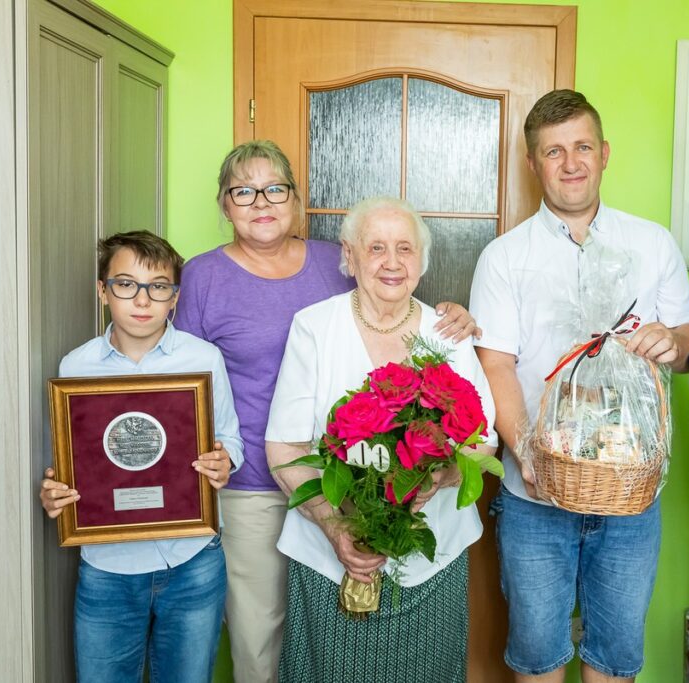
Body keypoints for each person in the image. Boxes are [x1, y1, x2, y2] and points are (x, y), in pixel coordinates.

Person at [173, 140, 477, 682]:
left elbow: (391, 294)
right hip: (251, 475)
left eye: (274, 189)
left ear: (294, 199)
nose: (261, 201)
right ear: (224, 204)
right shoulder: (204, 276)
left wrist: (454, 315)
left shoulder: (329, 263)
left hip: (342, 483)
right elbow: (180, 381)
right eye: (243, 191)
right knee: (262, 635)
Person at [469, 89, 689, 682]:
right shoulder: (504, 258)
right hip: (532, 499)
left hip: (630, 493)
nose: (570, 163)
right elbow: (495, 365)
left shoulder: (651, 245)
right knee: (537, 656)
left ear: (604, 153)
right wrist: (530, 454)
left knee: (615, 658)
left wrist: (672, 344)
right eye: (553, 152)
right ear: (532, 164)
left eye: (581, 147)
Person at [264, 196, 497, 683]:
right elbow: (284, 449)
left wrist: (435, 478)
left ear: (422, 261)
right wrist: (338, 529)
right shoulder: (314, 327)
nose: (392, 262)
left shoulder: (447, 334)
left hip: (432, 564)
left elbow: (483, 441)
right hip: (328, 562)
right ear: (349, 257)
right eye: (376, 248)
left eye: (405, 249)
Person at [38, 230, 244, 682]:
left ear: (174, 297)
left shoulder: (203, 359)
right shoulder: (75, 367)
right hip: (107, 570)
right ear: (102, 291)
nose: (142, 299)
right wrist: (55, 492)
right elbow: (75, 462)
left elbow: (232, 439)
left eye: (158, 287)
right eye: (126, 284)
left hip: (192, 561)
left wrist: (225, 461)